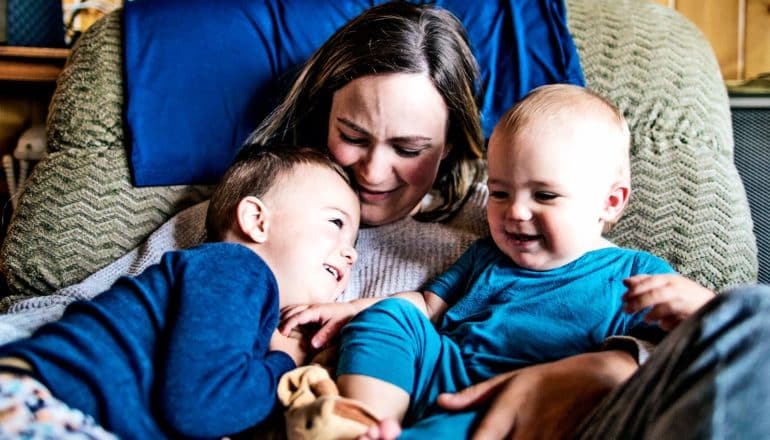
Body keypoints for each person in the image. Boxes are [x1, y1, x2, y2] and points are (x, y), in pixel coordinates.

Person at [5, 2, 770, 439]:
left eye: (409, 149)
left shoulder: (495, 227)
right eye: (353, 136)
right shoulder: (252, 213)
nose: (373, 173)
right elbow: (69, 312)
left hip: (545, 401)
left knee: (758, 317)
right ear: (318, 117)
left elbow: (679, 330)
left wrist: (615, 362)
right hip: (353, 415)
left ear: (455, 151)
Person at [277, 84, 716, 438]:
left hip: (518, 393)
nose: (515, 212)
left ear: (611, 201)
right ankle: (362, 420)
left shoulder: (635, 274)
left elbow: (700, 345)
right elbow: (429, 304)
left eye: (544, 196)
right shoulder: (488, 250)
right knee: (390, 316)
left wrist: (699, 305)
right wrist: (353, 309)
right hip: (445, 364)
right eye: (500, 192)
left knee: (471, 425)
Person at [0, 146, 360, 438]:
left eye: (354, 241)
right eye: (336, 223)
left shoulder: (240, 303)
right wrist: (285, 363)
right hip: (39, 398)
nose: (351, 252)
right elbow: (202, 407)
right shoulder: (237, 269)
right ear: (257, 221)